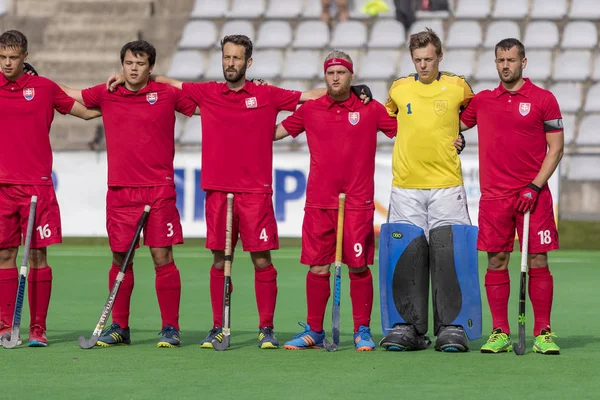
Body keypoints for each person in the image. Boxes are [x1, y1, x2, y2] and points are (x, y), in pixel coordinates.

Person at [107, 34, 372, 349]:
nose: (230, 63)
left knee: (261, 260)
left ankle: (266, 329)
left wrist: (349, 90)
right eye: (226, 57)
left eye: (236, 58)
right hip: (218, 192)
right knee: (219, 261)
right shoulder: (208, 92)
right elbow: (164, 79)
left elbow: (305, 96)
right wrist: (126, 76)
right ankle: (218, 326)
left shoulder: (266, 93)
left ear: (248, 62)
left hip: (255, 192)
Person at [60, 40, 198, 348]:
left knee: (163, 256)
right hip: (121, 191)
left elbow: (205, 106)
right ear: (122, 65)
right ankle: (120, 326)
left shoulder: (167, 94)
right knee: (121, 258)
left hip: (159, 188)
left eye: (140, 64)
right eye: (128, 63)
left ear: (150, 67)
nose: (133, 69)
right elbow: (72, 96)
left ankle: (170, 328)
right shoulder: (108, 93)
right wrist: (35, 82)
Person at [274, 50, 397, 351]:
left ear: (352, 76)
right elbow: (276, 132)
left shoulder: (371, 109)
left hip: (357, 202)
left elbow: (404, 132)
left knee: (358, 267)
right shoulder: (311, 109)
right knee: (317, 267)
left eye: (341, 72)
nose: (336, 77)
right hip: (319, 202)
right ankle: (314, 330)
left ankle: (362, 331)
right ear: (325, 76)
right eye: (331, 73)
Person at [460, 38, 563, 355]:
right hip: (494, 198)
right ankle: (500, 332)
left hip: (534, 196)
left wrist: (535, 186)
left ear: (524, 62)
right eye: (500, 60)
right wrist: (456, 140)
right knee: (497, 260)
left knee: (537, 259)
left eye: (511, 60)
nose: (506, 65)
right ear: (495, 63)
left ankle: (542, 332)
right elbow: (450, 125)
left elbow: (556, 148)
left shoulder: (544, 99)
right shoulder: (484, 101)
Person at [0, 30, 100, 347]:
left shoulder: (44, 88)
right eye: (1, 57)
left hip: (37, 189)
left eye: (12, 57)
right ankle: (4, 325)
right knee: (4, 254)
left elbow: (85, 112)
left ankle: (37, 329)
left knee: (39, 255)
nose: (6, 63)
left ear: (25, 57)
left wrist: (126, 103)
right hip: (2, 188)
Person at [378, 28, 476, 352]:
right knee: (408, 256)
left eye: (429, 59)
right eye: (418, 60)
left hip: (447, 184)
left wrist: (460, 135)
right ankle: (410, 328)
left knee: (449, 255)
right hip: (406, 185)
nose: (423, 65)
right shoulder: (399, 88)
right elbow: (385, 115)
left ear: (440, 57)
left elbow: (474, 113)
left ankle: (452, 327)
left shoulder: (458, 86)